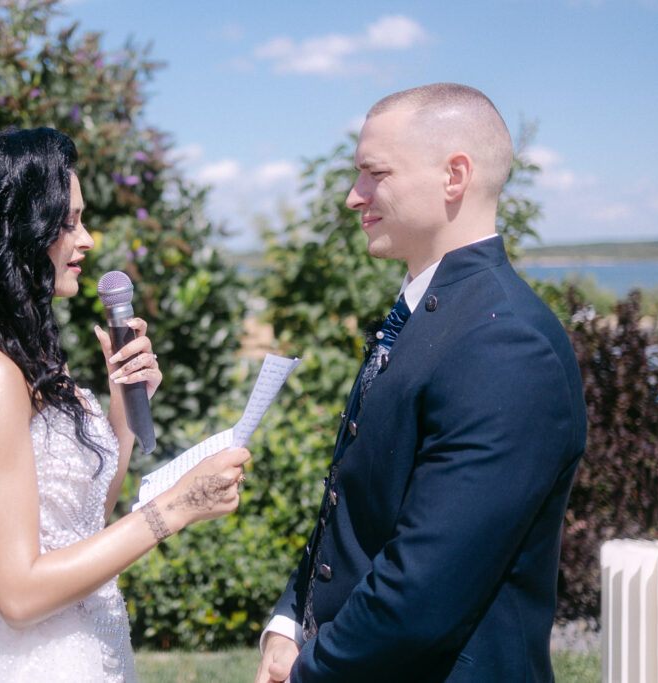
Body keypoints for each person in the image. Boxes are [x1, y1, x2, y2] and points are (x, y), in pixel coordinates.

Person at [0, 127, 250, 683]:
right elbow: (20, 594)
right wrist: (175, 507)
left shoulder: (8, 362)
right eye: (68, 222)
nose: (87, 240)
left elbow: (78, 526)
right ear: (13, 233)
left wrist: (124, 410)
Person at [255, 83, 587, 682]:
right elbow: (352, 511)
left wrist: (310, 673)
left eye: (373, 174)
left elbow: (424, 584)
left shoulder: (504, 344)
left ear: (453, 176)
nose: (354, 197)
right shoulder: (428, 314)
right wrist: (287, 623)